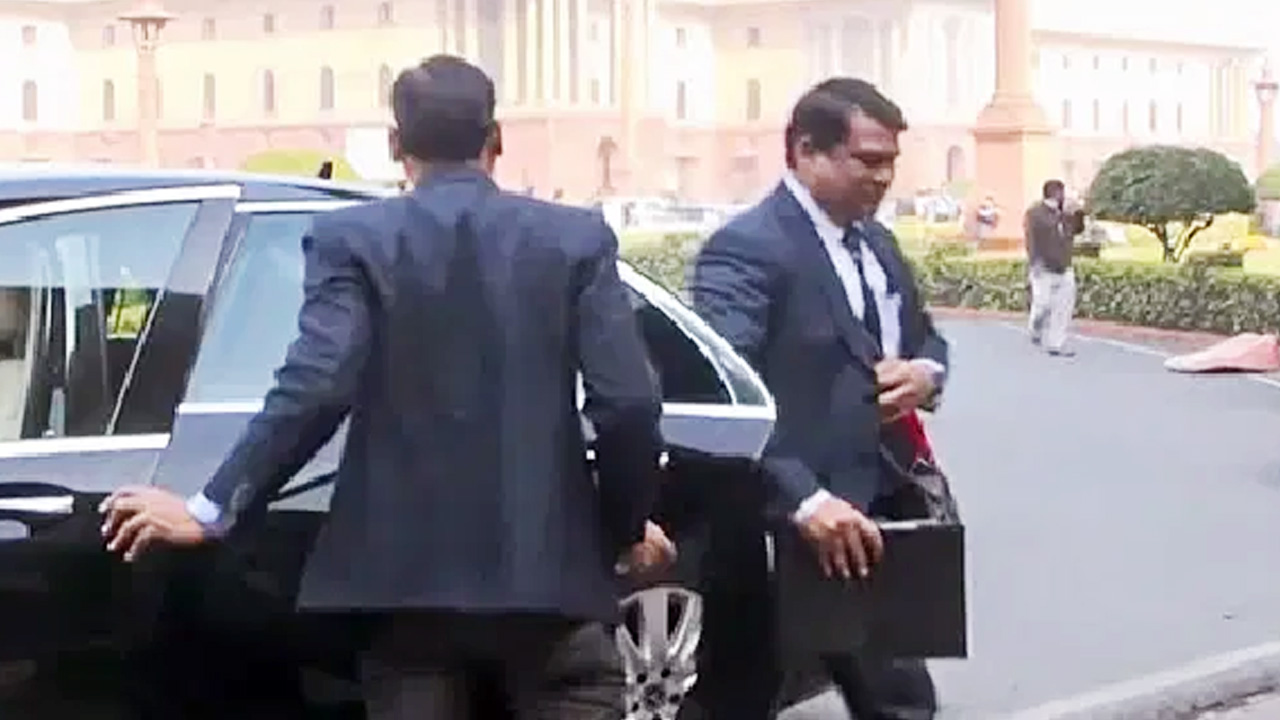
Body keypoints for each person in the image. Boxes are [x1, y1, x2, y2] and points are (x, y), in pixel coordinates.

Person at [99, 54, 675, 720]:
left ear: (396, 144)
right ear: (496, 139)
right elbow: (629, 403)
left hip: (403, 597)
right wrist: (622, 528)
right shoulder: (573, 239)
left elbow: (320, 381)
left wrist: (212, 508)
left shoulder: (352, 239)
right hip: (550, 590)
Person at [689, 77, 948, 720]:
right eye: (867, 160)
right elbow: (730, 391)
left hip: (874, 516)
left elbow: (925, 337)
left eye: (890, 162)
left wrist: (926, 372)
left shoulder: (877, 244)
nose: (883, 177)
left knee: (899, 699)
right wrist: (803, 499)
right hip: (779, 527)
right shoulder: (747, 249)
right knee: (738, 696)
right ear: (807, 151)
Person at [1024, 179, 1076, 357]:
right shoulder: (1035, 213)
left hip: (1065, 266)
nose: (1063, 196)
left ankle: (1056, 343)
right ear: (1053, 193)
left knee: (1063, 307)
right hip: (1044, 267)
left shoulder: (1065, 214)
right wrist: (1035, 261)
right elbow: (1031, 238)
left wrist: (1076, 214)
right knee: (1043, 304)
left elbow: (1077, 230)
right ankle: (1035, 328)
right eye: (1060, 192)